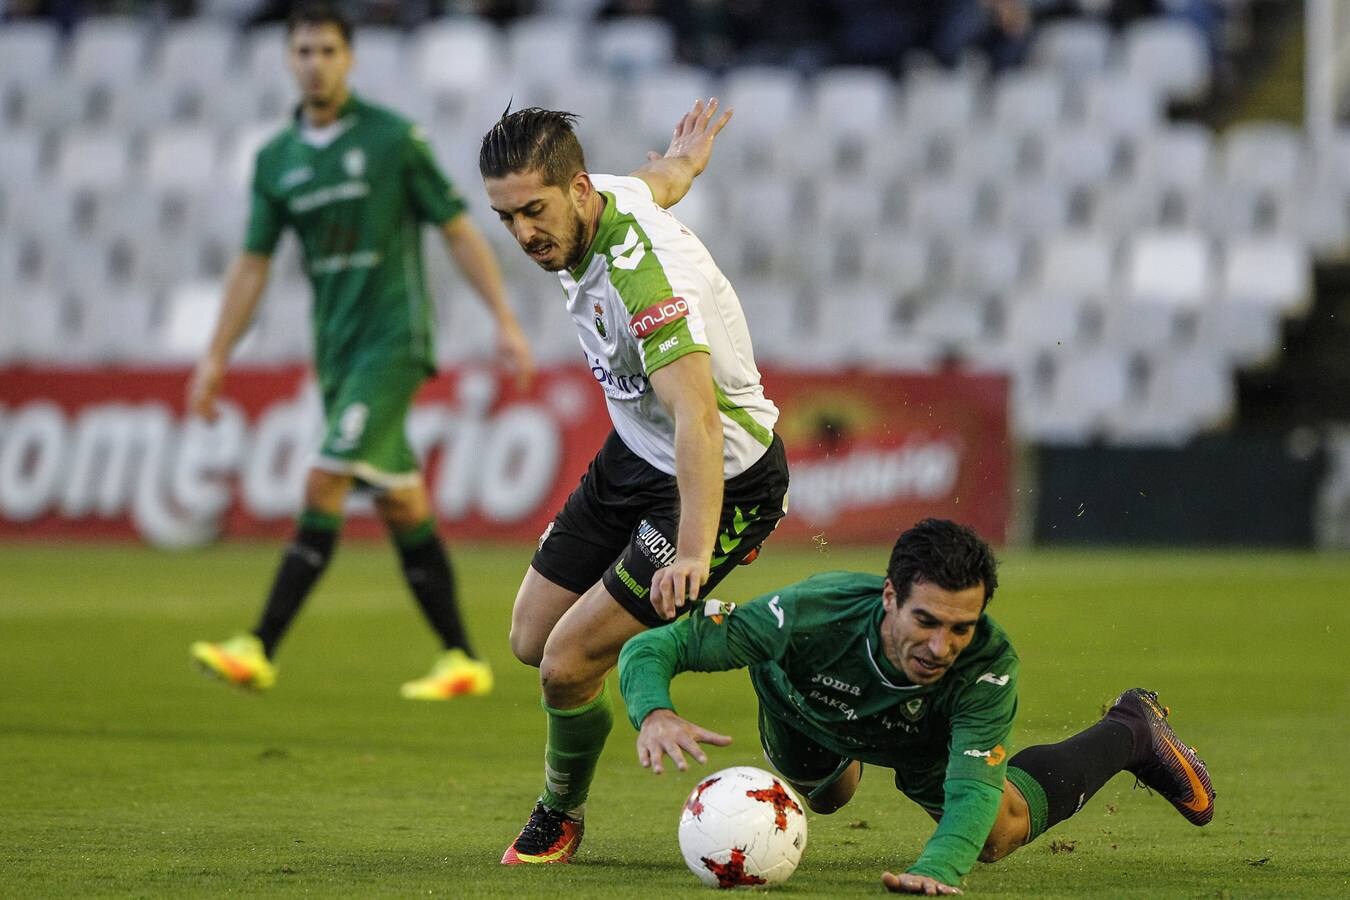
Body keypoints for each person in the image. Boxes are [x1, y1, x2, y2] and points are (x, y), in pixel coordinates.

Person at [188, 3, 533, 700]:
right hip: (338, 351)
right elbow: (253, 264)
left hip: (394, 340)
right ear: (289, 60)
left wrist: (503, 316)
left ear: (349, 59)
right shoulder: (276, 160)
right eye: (304, 51)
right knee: (402, 503)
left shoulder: (391, 140)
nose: (315, 62)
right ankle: (461, 658)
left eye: (327, 50)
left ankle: (258, 646)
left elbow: (458, 228)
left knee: (323, 481)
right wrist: (216, 354)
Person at [479, 101, 790, 864]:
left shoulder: (643, 280)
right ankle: (688, 588)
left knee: (565, 664)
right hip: (636, 455)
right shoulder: (605, 198)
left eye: (535, 211)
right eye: (508, 216)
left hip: (720, 475)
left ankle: (561, 813)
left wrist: (692, 547)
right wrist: (687, 159)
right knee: (527, 638)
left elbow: (700, 424)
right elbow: (661, 180)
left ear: (577, 190)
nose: (523, 234)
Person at [619, 518, 1215, 894]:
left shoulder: (988, 665)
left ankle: (1132, 731)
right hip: (805, 713)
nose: (940, 648)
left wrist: (940, 867)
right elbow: (659, 643)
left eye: (961, 627)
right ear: (888, 597)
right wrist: (654, 711)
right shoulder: (809, 615)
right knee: (828, 797)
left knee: (996, 834)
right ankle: (837, 768)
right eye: (925, 622)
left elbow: (974, 787)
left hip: (921, 740)